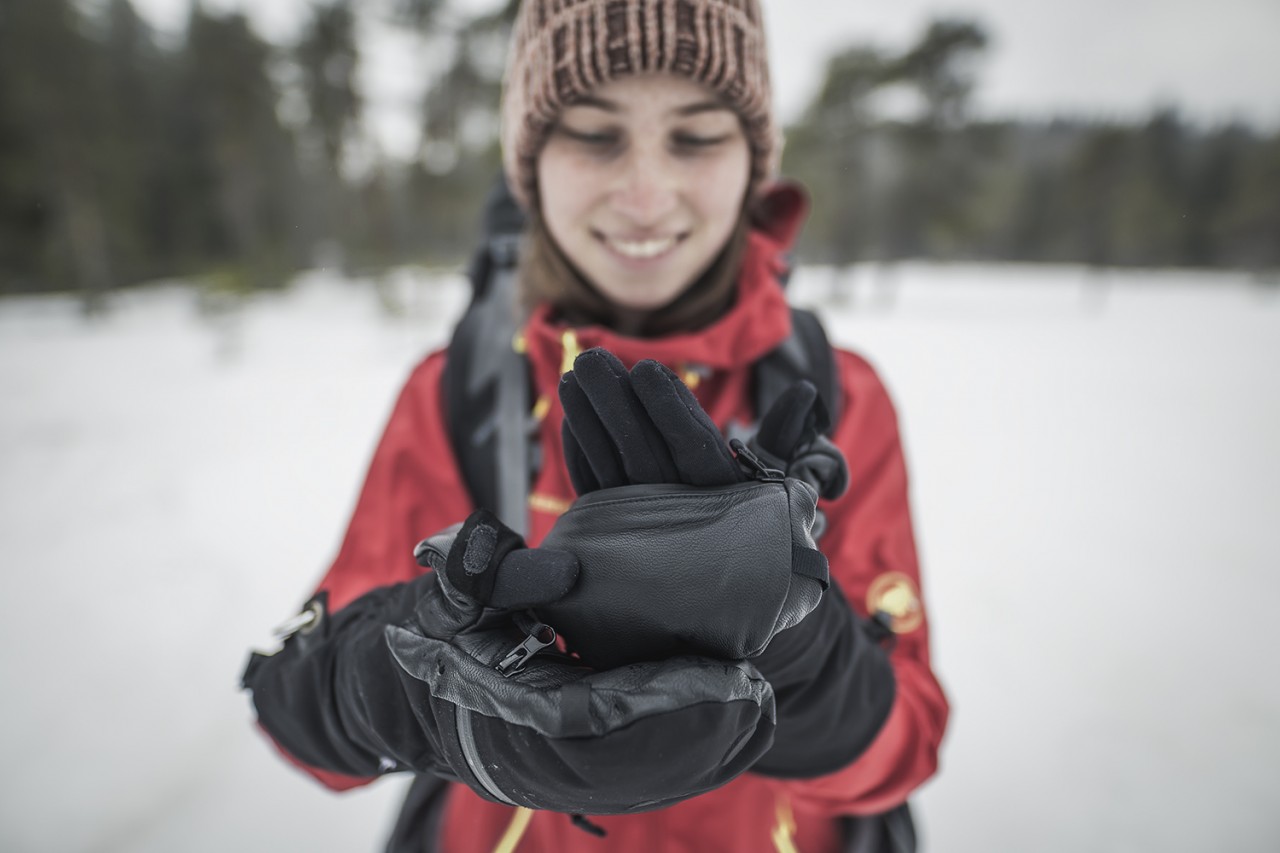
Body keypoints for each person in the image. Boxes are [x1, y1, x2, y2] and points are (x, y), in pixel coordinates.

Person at [240, 1, 949, 851]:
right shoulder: (458, 392)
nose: (646, 195)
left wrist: (801, 657)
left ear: (756, 163)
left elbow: (906, 740)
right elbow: (303, 724)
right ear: (528, 166)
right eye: (591, 133)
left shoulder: (840, 397)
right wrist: (409, 689)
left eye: (696, 137)